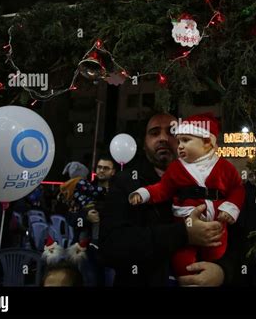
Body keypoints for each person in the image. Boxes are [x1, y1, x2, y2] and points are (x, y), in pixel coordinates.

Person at [99, 113, 246, 286]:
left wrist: (222, 271)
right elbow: (111, 246)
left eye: (172, 132)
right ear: (144, 144)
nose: (162, 138)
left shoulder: (218, 176)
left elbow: (240, 239)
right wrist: (184, 234)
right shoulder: (125, 183)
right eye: (154, 133)